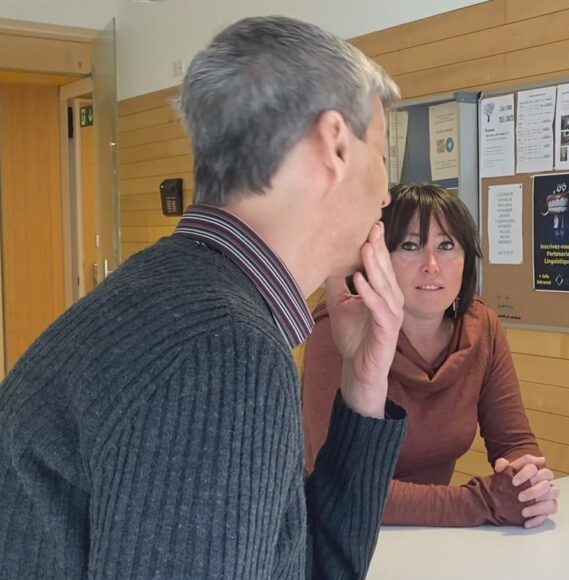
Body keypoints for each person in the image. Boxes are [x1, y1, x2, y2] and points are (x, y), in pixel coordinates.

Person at [0, 16, 411, 577]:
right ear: (335, 143)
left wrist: (363, 388)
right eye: (383, 156)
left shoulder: (167, 300)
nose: (387, 193)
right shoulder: (222, 354)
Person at [303, 183, 560, 528]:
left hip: (433, 539)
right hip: (337, 538)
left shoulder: (481, 326)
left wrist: (526, 483)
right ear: (377, 258)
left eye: (446, 245)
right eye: (410, 246)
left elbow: (514, 442)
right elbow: (341, 486)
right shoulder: (340, 329)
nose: (432, 264)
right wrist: (482, 502)